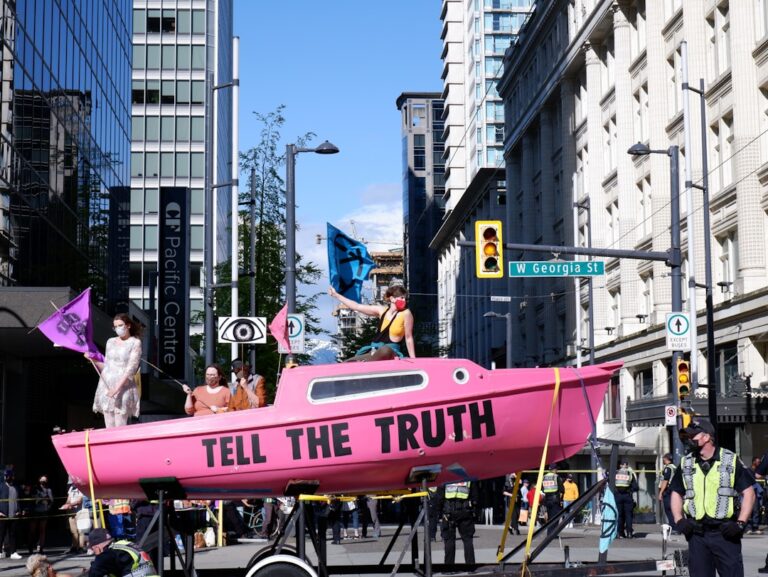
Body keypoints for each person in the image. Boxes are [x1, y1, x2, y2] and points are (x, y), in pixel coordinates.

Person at [671, 418, 754, 577]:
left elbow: (749, 493)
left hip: (725, 534)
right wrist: (679, 520)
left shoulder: (730, 459)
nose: (689, 440)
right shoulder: (686, 462)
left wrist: (740, 524)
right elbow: (676, 492)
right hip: (696, 535)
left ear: (707, 437)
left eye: (692, 436)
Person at [328, 285, 416, 360]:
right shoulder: (382, 310)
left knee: (385, 350)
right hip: (374, 350)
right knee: (349, 362)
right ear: (392, 299)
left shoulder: (406, 313)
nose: (404, 300)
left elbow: (408, 338)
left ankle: (367, 364)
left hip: (391, 351)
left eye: (405, 298)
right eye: (402, 298)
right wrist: (336, 295)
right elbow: (356, 306)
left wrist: (413, 359)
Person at [89, 313, 142, 428]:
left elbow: (131, 369)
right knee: (109, 424)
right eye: (115, 326)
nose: (118, 328)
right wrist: (93, 360)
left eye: (120, 325)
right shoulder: (110, 342)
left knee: (120, 424)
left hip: (123, 386)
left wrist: (116, 389)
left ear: (128, 325)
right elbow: (107, 366)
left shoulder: (135, 342)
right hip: (106, 384)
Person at [435, 480, 477, 567]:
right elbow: (475, 495)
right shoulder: (468, 476)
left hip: (449, 512)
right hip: (465, 511)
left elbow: (439, 496)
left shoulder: (446, 476)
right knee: (468, 539)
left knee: (449, 540)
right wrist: (474, 509)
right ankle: (471, 566)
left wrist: (439, 512)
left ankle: (449, 568)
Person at [84, 528, 158, 577]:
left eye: (93, 549)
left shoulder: (107, 554)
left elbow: (94, 573)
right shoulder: (124, 544)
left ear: (97, 548)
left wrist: (96, 561)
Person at [59, 479, 86, 554]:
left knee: (81, 530)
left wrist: (70, 505)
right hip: (72, 511)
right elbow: (69, 499)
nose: (71, 484)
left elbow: (79, 500)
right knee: (73, 531)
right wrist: (66, 504)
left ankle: (81, 547)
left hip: (80, 511)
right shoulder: (71, 488)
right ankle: (74, 546)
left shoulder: (81, 488)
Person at [28, 476, 53, 554]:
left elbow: (51, 500)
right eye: (42, 479)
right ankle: (31, 547)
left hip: (44, 512)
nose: (43, 481)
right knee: (32, 530)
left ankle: (41, 547)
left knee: (42, 530)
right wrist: (39, 499)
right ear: (39, 480)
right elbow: (32, 498)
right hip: (35, 511)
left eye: (45, 480)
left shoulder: (48, 490)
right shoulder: (35, 488)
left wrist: (48, 506)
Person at [0, 469, 22, 559]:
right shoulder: (1, 487)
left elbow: (19, 500)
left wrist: (19, 510)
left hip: (14, 514)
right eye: (6, 476)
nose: (7, 478)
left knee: (13, 534)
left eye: (9, 476)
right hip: (3, 515)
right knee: (1, 534)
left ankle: (13, 552)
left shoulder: (16, 488)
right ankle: (0, 552)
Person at [615, 459, 638, 538]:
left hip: (618, 495)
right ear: (627, 465)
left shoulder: (616, 472)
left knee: (619, 515)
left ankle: (619, 533)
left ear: (620, 465)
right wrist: (630, 490)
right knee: (628, 515)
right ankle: (629, 533)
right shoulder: (630, 473)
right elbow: (635, 487)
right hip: (627, 495)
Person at [542, 464, 564, 534]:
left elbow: (542, 489)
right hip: (555, 500)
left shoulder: (544, 477)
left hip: (547, 499)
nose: (557, 470)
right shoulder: (556, 477)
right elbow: (562, 489)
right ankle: (553, 533)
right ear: (554, 469)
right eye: (556, 469)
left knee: (550, 517)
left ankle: (549, 533)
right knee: (555, 517)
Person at [658, 453, 677, 528]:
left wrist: (661, 492)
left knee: (668, 509)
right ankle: (675, 526)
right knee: (673, 509)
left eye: (663, 458)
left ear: (666, 459)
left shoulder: (668, 468)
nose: (663, 460)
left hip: (668, 491)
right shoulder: (674, 467)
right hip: (673, 490)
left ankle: (674, 527)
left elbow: (665, 481)